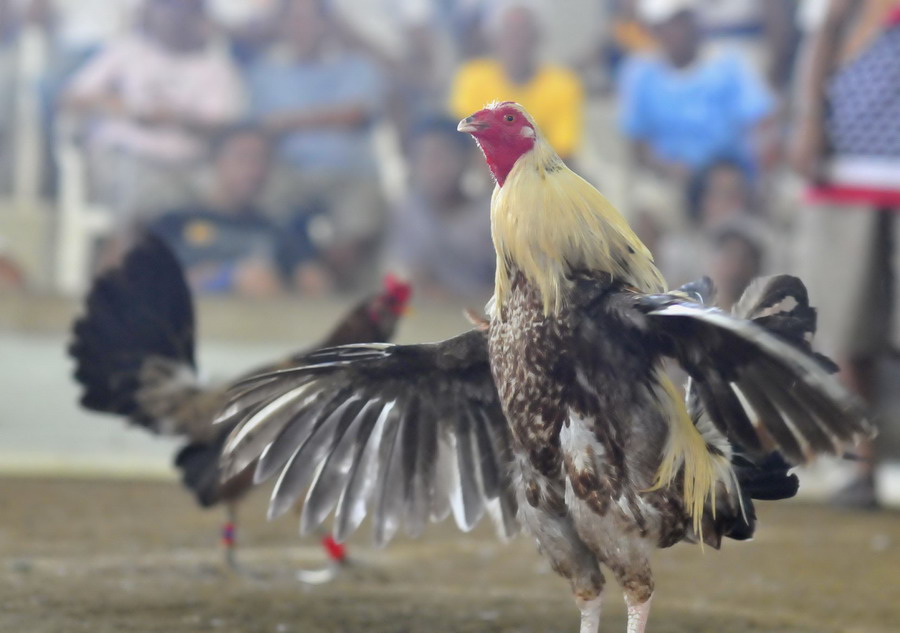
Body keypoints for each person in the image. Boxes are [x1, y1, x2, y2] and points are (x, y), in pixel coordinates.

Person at [791, 0, 900, 508]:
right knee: (849, 328)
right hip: (849, 164)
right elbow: (824, 30)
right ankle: (862, 468)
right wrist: (810, 120)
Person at [246, 0, 387, 289]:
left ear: (327, 24)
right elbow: (260, 129)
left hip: (350, 173)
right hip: (288, 172)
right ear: (282, 26)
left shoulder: (357, 66)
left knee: (359, 225)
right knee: (265, 209)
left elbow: (355, 114)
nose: (303, 28)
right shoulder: (263, 73)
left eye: (310, 20)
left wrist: (287, 122)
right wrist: (328, 117)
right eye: (295, 20)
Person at [63, 0, 244, 220]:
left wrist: (176, 119)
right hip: (122, 158)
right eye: (167, 9)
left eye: (183, 12)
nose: (173, 18)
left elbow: (222, 127)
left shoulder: (218, 69)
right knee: (147, 194)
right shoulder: (128, 50)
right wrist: (131, 110)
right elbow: (72, 98)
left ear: (200, 19)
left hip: (186, 168)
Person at [619, 0, 774, 186]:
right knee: (648, 202)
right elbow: (638, 145)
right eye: (665, 25)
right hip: (669, 179)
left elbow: (760, 121)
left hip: (732, 173)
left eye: (681, 22)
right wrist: (670, 169)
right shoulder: (640, 73)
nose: (675, 32)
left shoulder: (729, 64)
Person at [449, 2, 585, 160]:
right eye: (510, 31)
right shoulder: (471, 77)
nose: (517, 41)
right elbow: (461, 141)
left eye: (524, 31)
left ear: (538, 36)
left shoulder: (563, 84)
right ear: (495, 36)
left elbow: (563, 151)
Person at [385, 116, 494, 299]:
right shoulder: (409, 211)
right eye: (424, 157)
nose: (434, 168)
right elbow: (401, 273)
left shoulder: (490, 216)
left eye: (442, 157)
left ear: (466, 159)